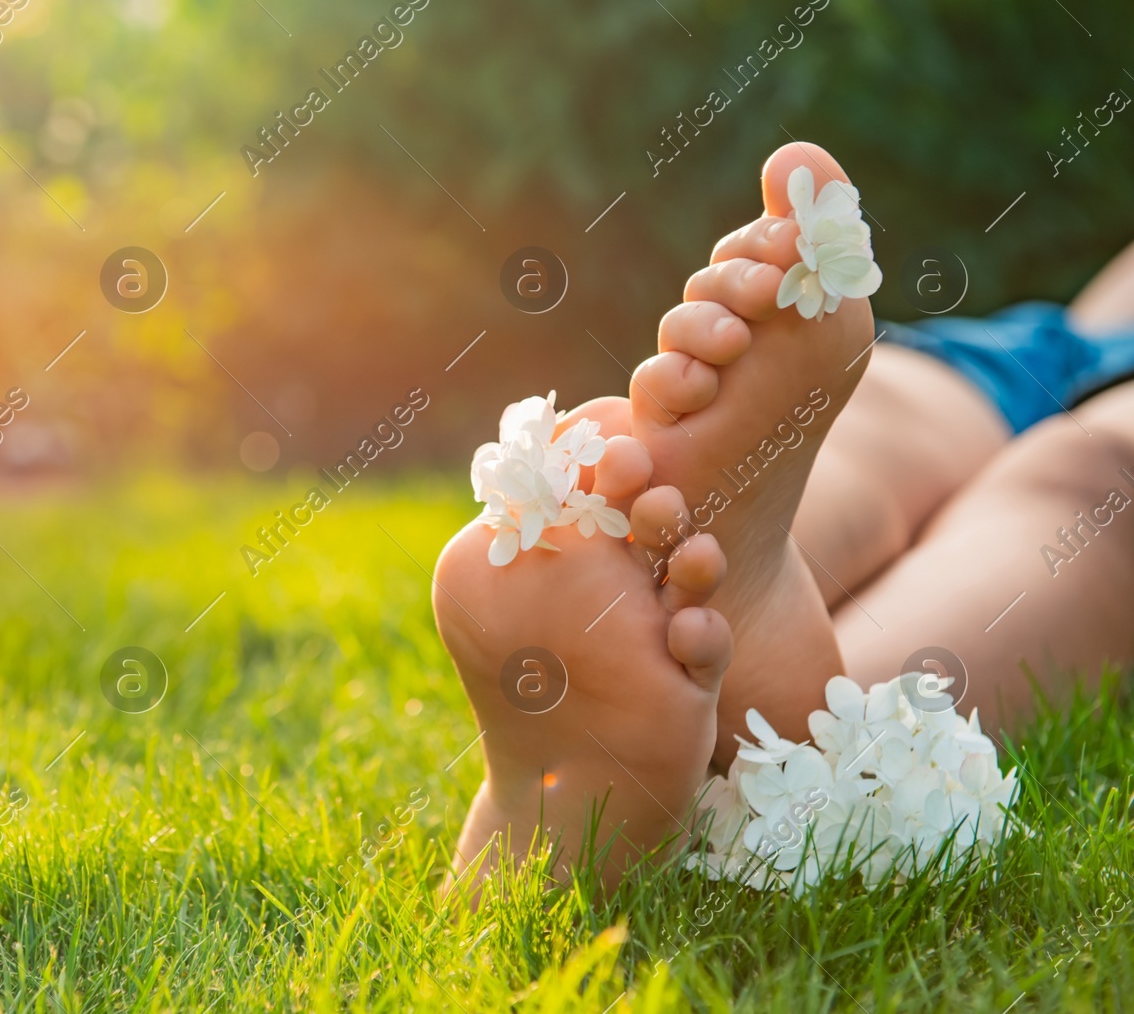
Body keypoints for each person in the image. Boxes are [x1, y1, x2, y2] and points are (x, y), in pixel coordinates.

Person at [433, 142, 1134, 890]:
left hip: (1034, 350)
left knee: (1037, 467)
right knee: (1017, 470)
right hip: (1045, 343)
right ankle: (804, 712)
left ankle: (749, 682)